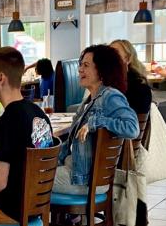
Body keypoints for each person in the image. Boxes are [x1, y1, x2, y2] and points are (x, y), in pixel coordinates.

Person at [0, 47, 53, 224]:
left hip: (13, 210)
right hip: (38, 204)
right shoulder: (39, 114)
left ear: (0, 78)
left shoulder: (6, 122)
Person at [54, 45, 139, 195]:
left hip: (87, 180)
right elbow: (69, 144)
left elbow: (132, 128)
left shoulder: (110, 96)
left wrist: (95, 122)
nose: (80, 70)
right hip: (77, 171)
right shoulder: (89, 100)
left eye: (86, 65)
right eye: (80, 65)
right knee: (34, 172)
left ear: (102, 70)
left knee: (29, 179)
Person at [110, 39, 153, 130]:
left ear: (127, 59)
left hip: (121, 135)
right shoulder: (112, 82)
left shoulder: (136, 86)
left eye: (115, 53)